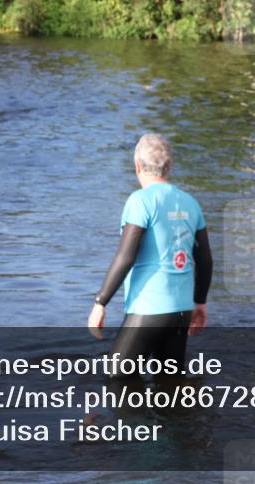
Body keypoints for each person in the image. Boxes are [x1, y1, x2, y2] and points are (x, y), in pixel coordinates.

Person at [88, 134, 213, 379]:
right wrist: (200, 302)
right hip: (181, 310)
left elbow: (126, 257)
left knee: (117, 380)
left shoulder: (140, 201)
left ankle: (136, 419)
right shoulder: (190, 202)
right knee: (170, 383)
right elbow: (206, 259)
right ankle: (176, 418)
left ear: (137, 165)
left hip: (148, 308)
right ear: (170, 166)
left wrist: (100, 303)